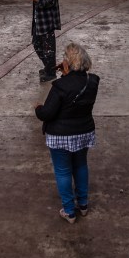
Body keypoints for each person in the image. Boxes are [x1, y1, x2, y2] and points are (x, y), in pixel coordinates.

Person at [35, 42, 100, 224]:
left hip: (60, 136)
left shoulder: (60, 86)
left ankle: (69, 211)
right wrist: (68, 74)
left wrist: (38, 108)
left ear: (69, 61)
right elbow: (75, 91)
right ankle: (84, 204)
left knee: (63, 171)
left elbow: (47, 113)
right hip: (84, 132)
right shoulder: (92, 82)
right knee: (80, 166)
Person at [24, 0, 62, 82]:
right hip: (39, 22)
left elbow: (47, 2)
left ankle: (51, 73)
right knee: (37, 44)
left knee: (49, 49)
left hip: (47, 23)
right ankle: (48, 68)